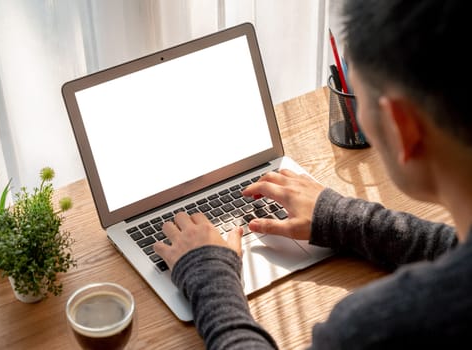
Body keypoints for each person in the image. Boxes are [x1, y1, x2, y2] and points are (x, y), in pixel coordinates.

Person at [153, 0, 472, 348]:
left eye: (360, 97)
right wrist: (345, 218)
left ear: (402, 129)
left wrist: (208, 275)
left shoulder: (375, 329)